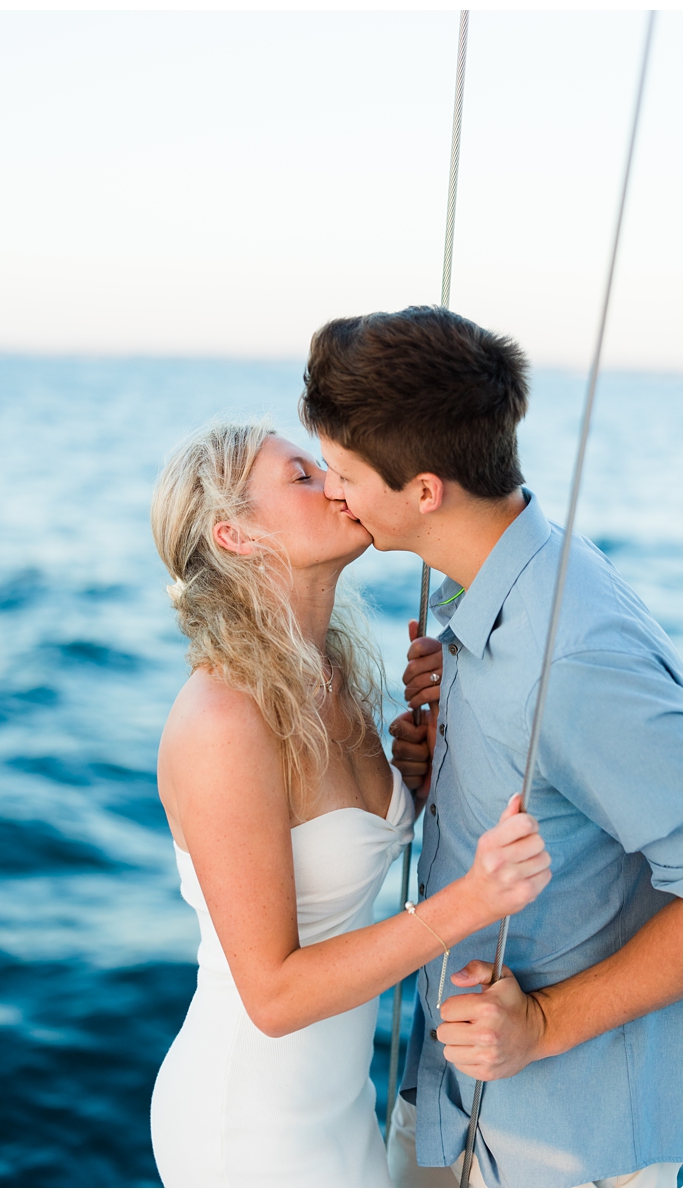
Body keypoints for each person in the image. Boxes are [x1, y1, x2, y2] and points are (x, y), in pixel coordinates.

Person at [306, 306, 682, 1187]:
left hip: (565, 1147)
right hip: (456, 1112)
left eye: (342, 471)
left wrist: (546, 1026)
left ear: (425, 490)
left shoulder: (576, 652)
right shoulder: (498, 591)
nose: (331, 492)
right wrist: (448, 760)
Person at [147, 419, 551, 1186]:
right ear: (236, 536)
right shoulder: (223, 721)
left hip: (338, 1105)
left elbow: (342, 841)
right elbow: (271, 994)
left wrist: (421, 772)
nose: (335, 483)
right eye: (302, 477)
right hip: (250, 1126)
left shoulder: (326, 672)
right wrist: (473, 902)